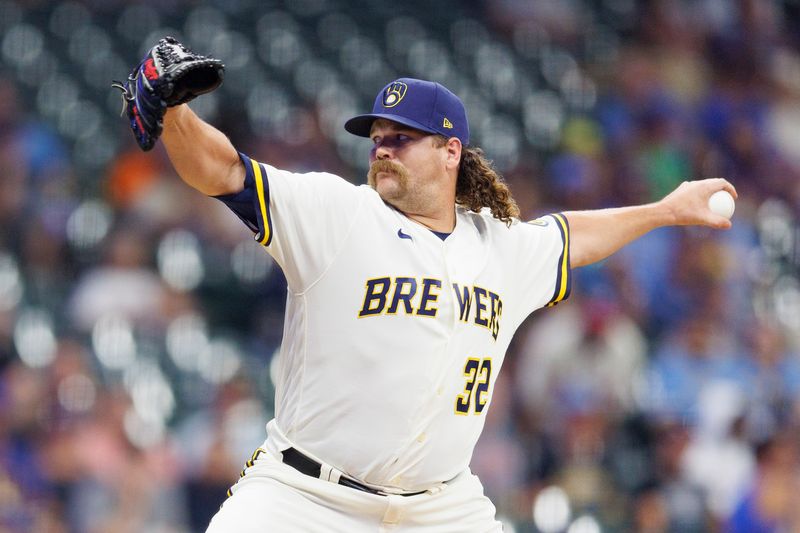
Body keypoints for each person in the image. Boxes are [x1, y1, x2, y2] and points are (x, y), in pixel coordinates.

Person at [124, 42, 736, 530]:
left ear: (450, 152)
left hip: (439, 508)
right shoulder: (337, 213)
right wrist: (176, 111)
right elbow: (224, 170)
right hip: (306, 497)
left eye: (402, 138)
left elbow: (572, 235)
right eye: (377, 138)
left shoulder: (500, 246)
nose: (381, 149)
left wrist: (666, 210)